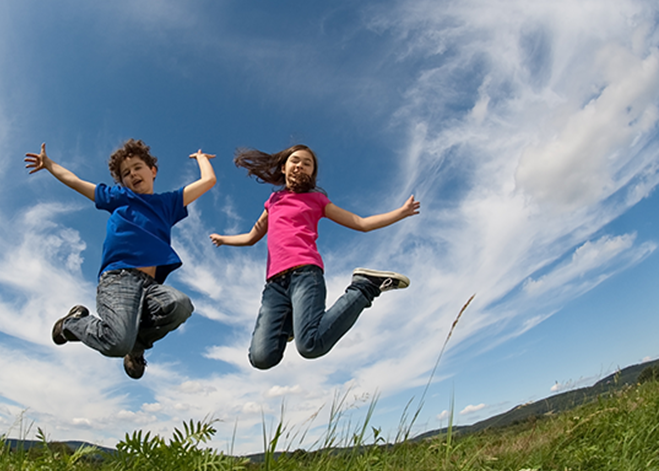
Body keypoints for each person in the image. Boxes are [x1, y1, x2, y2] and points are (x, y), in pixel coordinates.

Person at [209, 144, 419, 370]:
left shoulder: (316, 200)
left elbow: (361, 223)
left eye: (307, 163)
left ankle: (364, 287)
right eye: (295, 160)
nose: (300, 165)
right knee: (261, 358)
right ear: (283, 167)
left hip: (305, 275)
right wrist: (224, 238)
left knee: (311, 346)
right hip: (275, 286)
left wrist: (401, 213)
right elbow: (252, 236)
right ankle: (289, 323)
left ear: (312, 173)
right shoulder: (273, 202)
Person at [25, 139, 216, 379]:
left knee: (180, 305)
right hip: (119, 279)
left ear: (152, 171)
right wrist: (49, 164)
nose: (132, 174)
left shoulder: (168, 203)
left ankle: (137, 346)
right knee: (116, 343)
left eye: (137, 167)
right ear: (122, 181)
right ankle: (72, 323)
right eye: (126, 173)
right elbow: (76, 182)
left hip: (151, 287)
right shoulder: (118, 197)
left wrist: (201, 159)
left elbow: (208, 181)